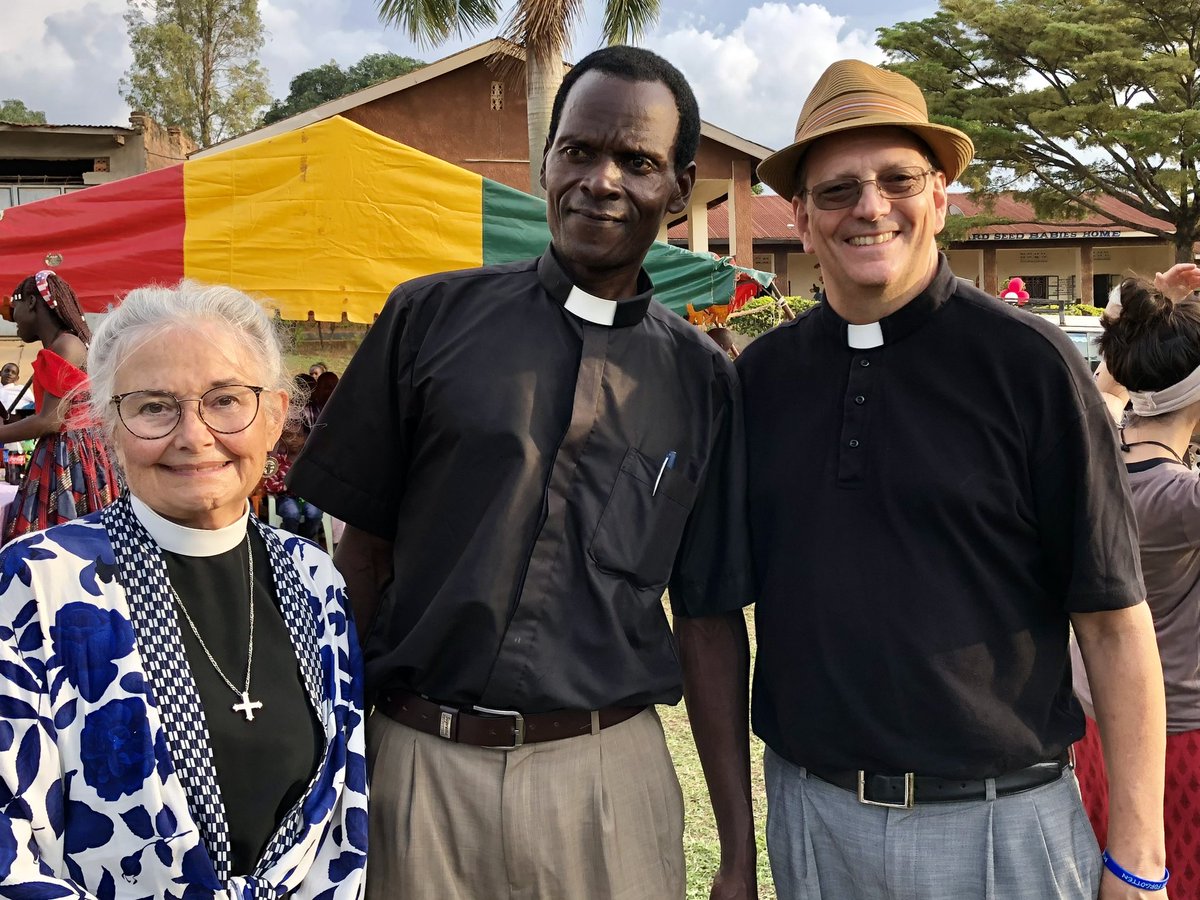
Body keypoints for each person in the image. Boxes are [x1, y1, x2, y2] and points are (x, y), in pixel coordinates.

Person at [289, 45, 756, 900]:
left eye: (637, 162)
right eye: (578, 151)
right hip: (418, 768)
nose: (600, 181)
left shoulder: (704, 381)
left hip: (604, 786)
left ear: (681, 188)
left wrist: (737, 849)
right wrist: (331, 767)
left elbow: (710, 617)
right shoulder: (428, 320)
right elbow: (359, 559)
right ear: (547, 160)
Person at [740, 59, 1165, 899]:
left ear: (940, 197)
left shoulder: (1031, 366)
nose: (869, 207)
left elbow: (1115, 624)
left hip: (1001, 822)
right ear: (801, 215)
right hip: (812, 813)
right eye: (836, 191)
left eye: (898, 179)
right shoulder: (762, 379)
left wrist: (1139, 858)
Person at [0, 282, 367, 897]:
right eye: (153, 407)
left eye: (225, 400)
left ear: (275, 416)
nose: (194, 436)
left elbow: (343, 810)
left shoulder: (313, 577)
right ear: (107, 426)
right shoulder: (38, 585)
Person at [1071, 264, 1200, 899]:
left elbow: (1104, 388)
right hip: (1180, 735)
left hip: (1094, 716)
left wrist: (1155, 312)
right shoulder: (1185, 499)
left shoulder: (1091, 460)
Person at [1, 271, 119, 540]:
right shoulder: (66, 344)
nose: (10, 318)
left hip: (68, 456)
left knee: (59, 540)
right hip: (74, 451)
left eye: (14, 308)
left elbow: (50, 421)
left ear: (31, 302)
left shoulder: (65, 346)